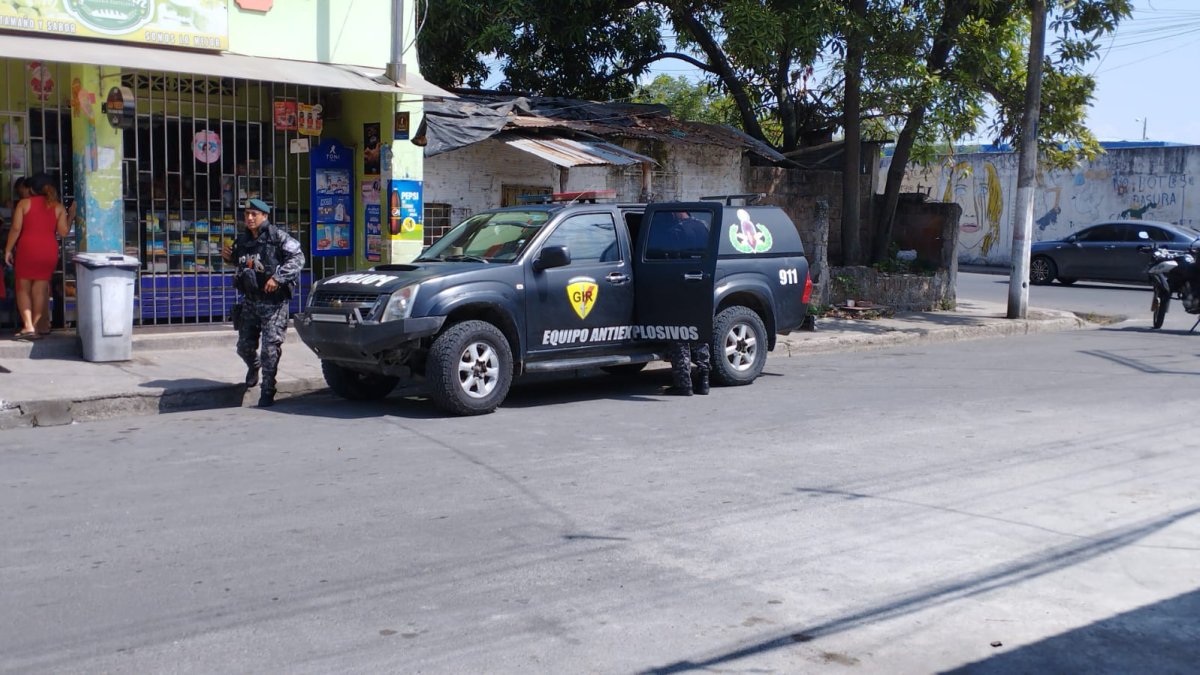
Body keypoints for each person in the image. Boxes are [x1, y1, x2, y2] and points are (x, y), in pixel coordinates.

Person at [221, 198, 304, 407]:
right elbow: (243, 264)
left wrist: (278, 278)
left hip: (273, 303)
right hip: (250, 302)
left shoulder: (277, 237)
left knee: (270, 349)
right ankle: (253, 366)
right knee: (243, 347)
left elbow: (298, 258)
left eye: (254, 214)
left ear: (264, 216)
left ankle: (268, 390)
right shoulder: (242, 240)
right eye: (247, 214)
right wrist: (228, 258)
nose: (249, 218)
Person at [4, 173, 68, 340]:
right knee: (40, 291)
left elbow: (16, 229)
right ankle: (37, 327)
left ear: (31, 188)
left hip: (28, 249)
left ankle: (28, 326)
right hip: (48, 250)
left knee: (22, 288)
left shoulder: (24, 204)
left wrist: (8, 250)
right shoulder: (58, 207)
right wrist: (72, 215)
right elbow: (63, 232)